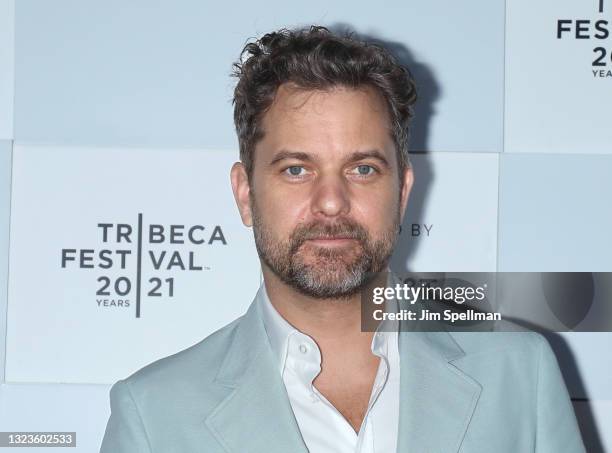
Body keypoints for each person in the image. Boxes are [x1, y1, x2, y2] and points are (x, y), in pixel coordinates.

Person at [100, 26, 585, 452]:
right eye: (296, 169)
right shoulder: (155, 414)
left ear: (402, 191)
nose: (331, 201)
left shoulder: (519, 374)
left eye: (362, 168)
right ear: (245, 194)